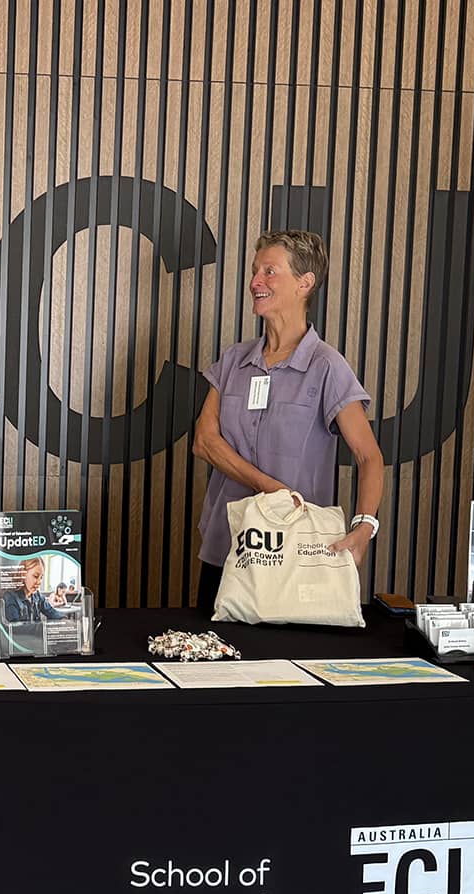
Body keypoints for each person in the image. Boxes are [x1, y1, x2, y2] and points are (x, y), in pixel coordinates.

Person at [191, 230, 386, 612]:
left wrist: (364, 529)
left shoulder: (327, 366)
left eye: (269, 271)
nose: (255, 282)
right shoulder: (234, 360)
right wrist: (272, 488)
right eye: (254, 271)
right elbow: (204, 441)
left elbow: (369, 457)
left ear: (304, 283)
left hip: (293, 557)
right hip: (225, 549)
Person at [1, 558, 65, 623]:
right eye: (36, 576)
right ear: (23, 574)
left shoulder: (38, 596)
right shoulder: (10, 596)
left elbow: (51, 611)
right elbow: (15, 627)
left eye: (41, 577)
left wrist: (64, 620)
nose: (39, 582)